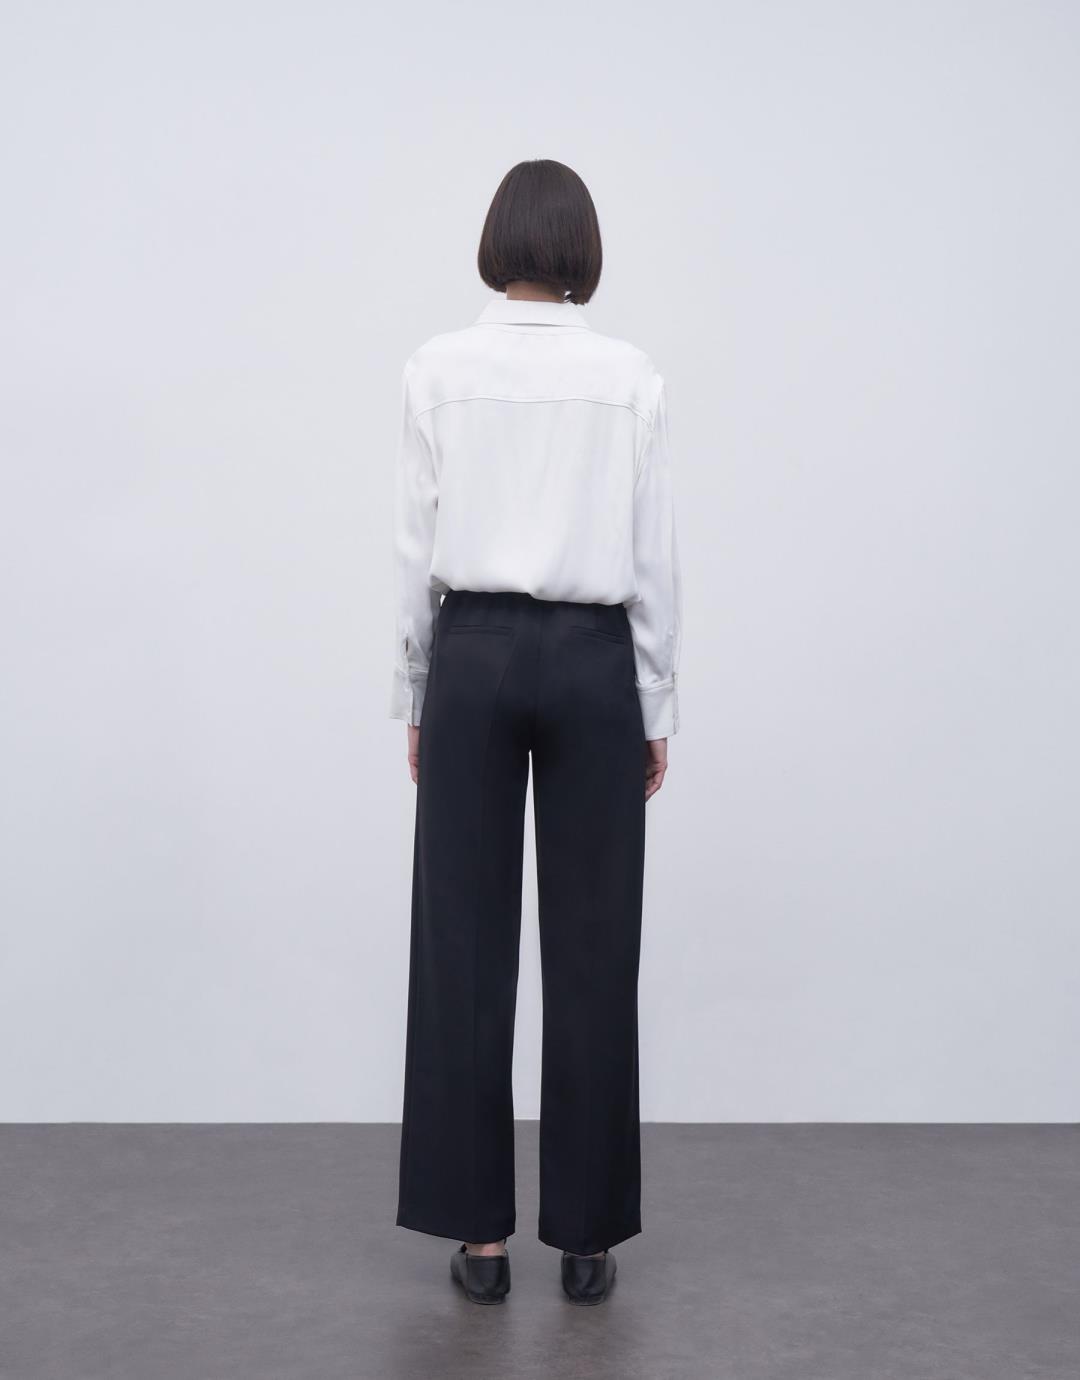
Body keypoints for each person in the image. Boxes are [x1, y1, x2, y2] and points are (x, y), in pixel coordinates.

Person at [389, 158, 682, 1306]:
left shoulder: (435, 369)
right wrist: (655, 701)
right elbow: (653, 552)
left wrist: (418, 691)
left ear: (496, 242)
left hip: (471, 650)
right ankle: (587, 1237)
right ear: (581, 251)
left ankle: (481, 1240)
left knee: (461, 945)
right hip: (592, 656)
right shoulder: (629, 376)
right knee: (596, 944)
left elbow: (414, 546)